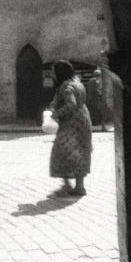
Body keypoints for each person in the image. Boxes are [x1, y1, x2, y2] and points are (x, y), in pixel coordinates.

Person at [49, 60, 92, 196]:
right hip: (84, 120)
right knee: (81, 151)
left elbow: (71, 104)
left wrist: (56, 114)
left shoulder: (66, 86)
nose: (52, 74)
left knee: (61, 151)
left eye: (53, 71)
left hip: (71, 124)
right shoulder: (77, 82)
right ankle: (80, 186)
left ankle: (66, 185)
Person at [86, 67, 108, 131]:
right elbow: (96, 91)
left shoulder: (90, 81)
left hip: (90, 99)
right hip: (96, 99)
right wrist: (101, 94)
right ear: (99, 75)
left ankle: (89, 128)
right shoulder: (96, 81)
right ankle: (103, 128)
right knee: (102, 113)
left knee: (91, 114)